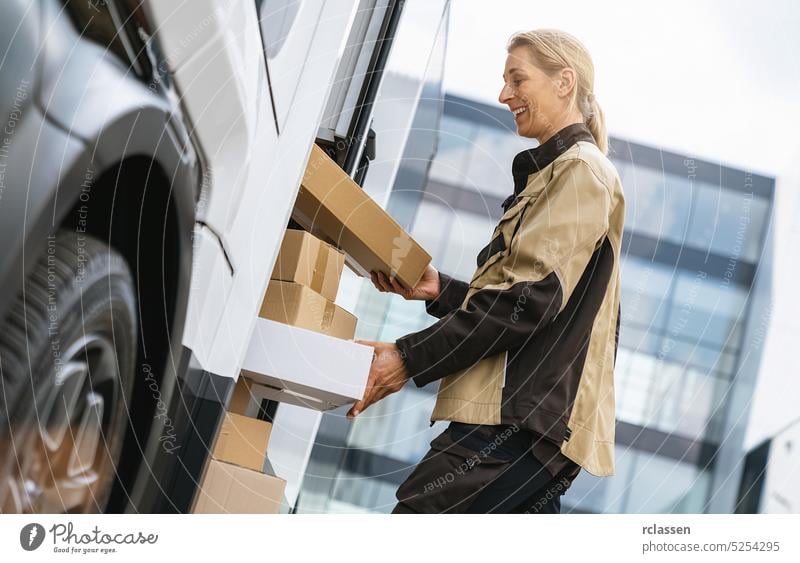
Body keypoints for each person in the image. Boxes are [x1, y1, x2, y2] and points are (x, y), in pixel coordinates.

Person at [346, 28, 625, 514]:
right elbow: (531, 298)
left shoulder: (581, 172)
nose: (503, 95)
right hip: (526, 429)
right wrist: (442, 291)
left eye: (518, 79)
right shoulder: (560, 172)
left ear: (564, 82)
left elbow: (528, 303)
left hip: (515, 426)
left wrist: (409, 358)